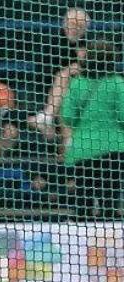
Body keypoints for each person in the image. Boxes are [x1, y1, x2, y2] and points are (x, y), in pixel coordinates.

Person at [60, 36, 124, 219]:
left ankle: (80, 246)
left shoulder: (78, 82)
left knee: (83, 203)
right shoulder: (117, 83)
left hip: (83, 149)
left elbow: (67, 117)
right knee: (109, 203)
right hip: (112, 149)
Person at [29, 8, 91, 144]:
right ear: (64, 24)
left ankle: (48, 116)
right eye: (72, 24)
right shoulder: (52, 43)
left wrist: (82, 62)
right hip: (55, 93)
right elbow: (44, 75)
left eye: (80, 26)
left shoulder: (90, 46)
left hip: (84, 93)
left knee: (66, 77)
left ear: (85, 29)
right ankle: (67, 145)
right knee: (64, 79)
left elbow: (96, 73)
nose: (75, 29)